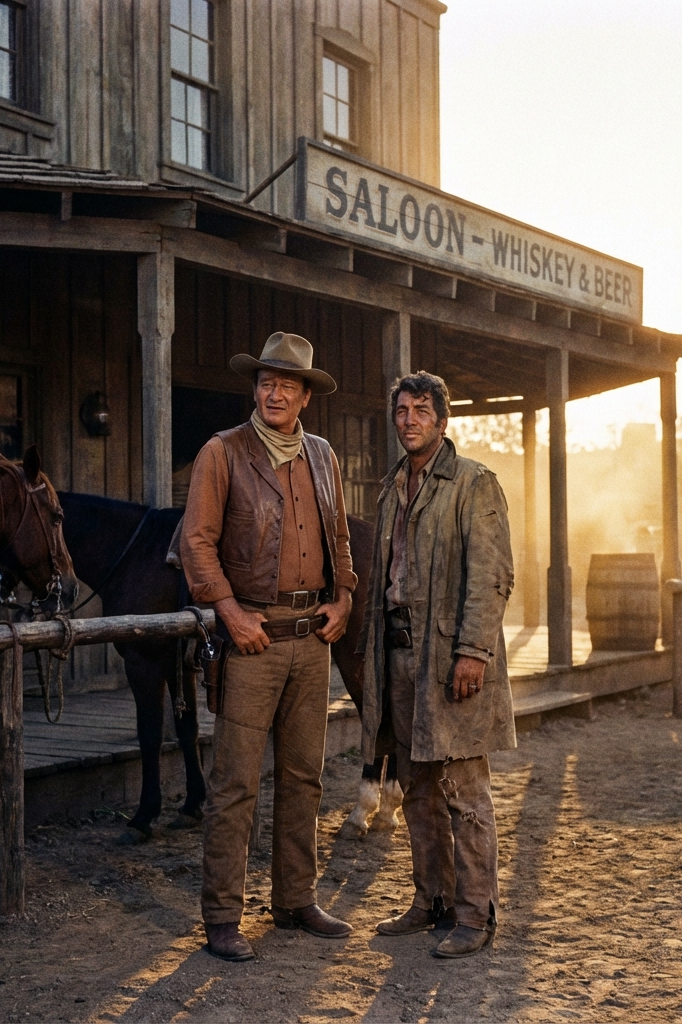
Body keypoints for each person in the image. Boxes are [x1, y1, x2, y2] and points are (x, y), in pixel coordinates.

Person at [180, 332, 356, 962]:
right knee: (234, 784)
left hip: (314, 642)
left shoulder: (323, 456)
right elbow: (195, 543)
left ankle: (295, 899)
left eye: (288, 384)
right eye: (266, 381)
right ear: (255, 388)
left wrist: (345, 597)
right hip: (251, 642)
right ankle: (223, 915)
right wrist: (227, 610)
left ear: (306, 395)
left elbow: (338, 536)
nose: (275, 392)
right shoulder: (222, 453)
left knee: (305, 776)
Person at [358, 370, 516, 959]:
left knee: (463, 789)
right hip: (400, 656)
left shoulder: (474, 482)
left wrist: (474, 651)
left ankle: (475, 916)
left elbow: (492, 574)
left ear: (443, 421)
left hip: (449, 658)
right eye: (402, 410)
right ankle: (433, 902)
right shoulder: (392, 485)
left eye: (421, 410)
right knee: (416, 785)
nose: (409, 420)